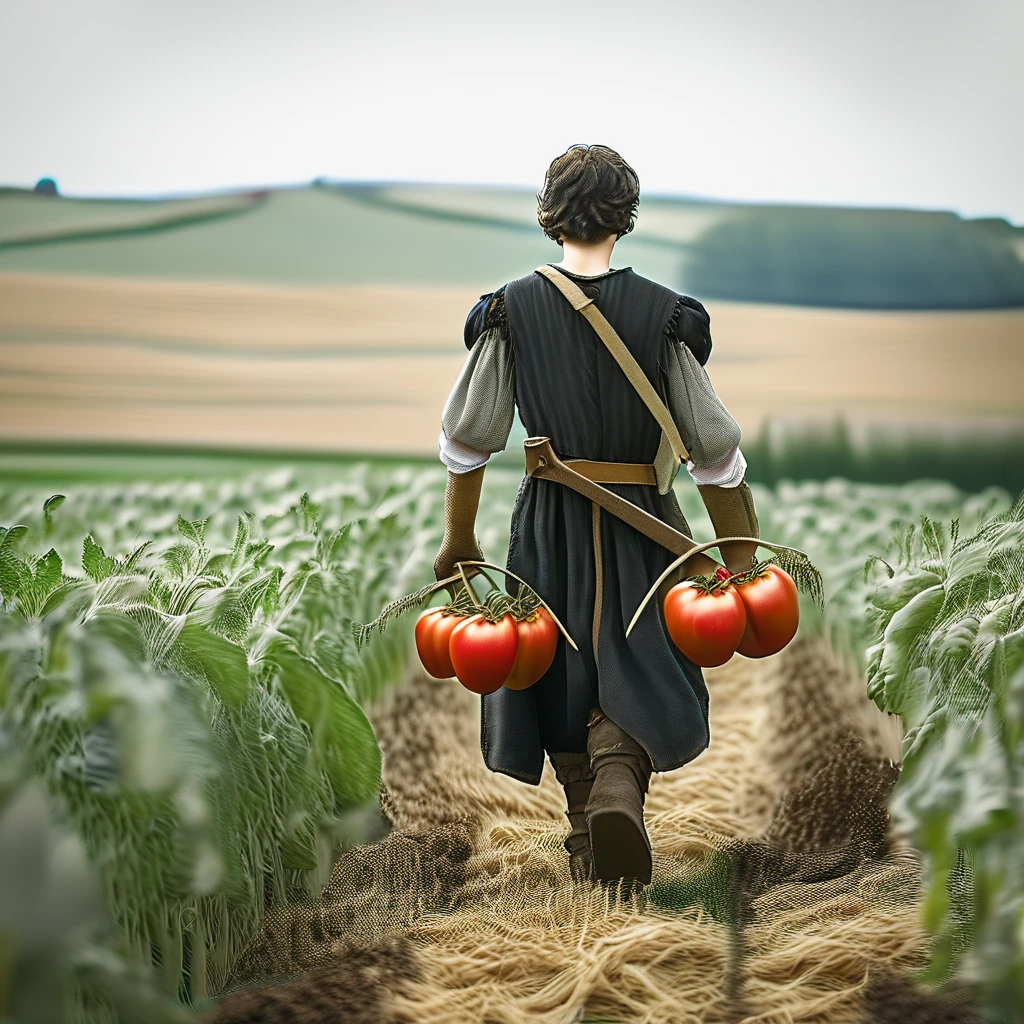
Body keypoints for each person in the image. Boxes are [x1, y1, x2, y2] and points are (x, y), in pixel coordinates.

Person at [432, 144, 760, 887]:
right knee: (641, 658)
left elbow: (465, 440)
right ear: (626, 216)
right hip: (646, 522)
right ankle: (618, 790)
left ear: (551, 215)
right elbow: (714, 451)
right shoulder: (665, 316)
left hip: (547, 520)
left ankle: (590, 822)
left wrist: (458, 538)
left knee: (556, 665)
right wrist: (738, 555)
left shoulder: (508, 312)